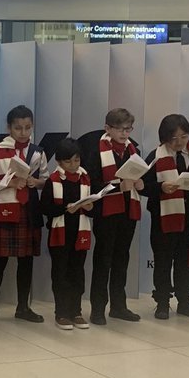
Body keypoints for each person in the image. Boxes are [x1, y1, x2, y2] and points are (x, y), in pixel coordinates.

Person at [143, 114, 189, 321]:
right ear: (164, 138)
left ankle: (185, 301)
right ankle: (162, 302)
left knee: (186, 262)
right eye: (174, 138)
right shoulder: (155, 157)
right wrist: (161, 187)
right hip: (164, 219)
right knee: (163, 261)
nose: (180, 142)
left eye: (183, 136)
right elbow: (144, 187)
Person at [78, 107, 145, 325]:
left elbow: (140, 174)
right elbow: (92, 183)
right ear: (108, 128)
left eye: (128, 129)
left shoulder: (133, 148)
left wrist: (139, 184)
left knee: (122, 258)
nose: (125, 134)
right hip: (106, 211)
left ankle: (119, 305)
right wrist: (118, 186)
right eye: (120, 129)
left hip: (128, 210)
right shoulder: (95, 148)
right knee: (103, 259)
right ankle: (98, 308)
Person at [0, 105, 48, 323]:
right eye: (18, 128)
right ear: (9, 127)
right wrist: (9, 182)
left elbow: (45, 181)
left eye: (27, 127)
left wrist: (34, 181)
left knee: (26, 261)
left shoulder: (38, 152)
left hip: (28, 210)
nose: (23, 132)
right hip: (4, 208)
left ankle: (23, 307)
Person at [40, 137, 93, 331]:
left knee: (77, 273)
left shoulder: (86, 179)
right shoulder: (52, 181)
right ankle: (61, 313)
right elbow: (45, 208)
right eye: (68, 161)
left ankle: (76, 311)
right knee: (60, 274)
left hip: (81, 231)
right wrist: (65, 208)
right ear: (59, 162)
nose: (73, 165)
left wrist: (88, 207)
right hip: (60, 234)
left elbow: (93, 208)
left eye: (76, 160)